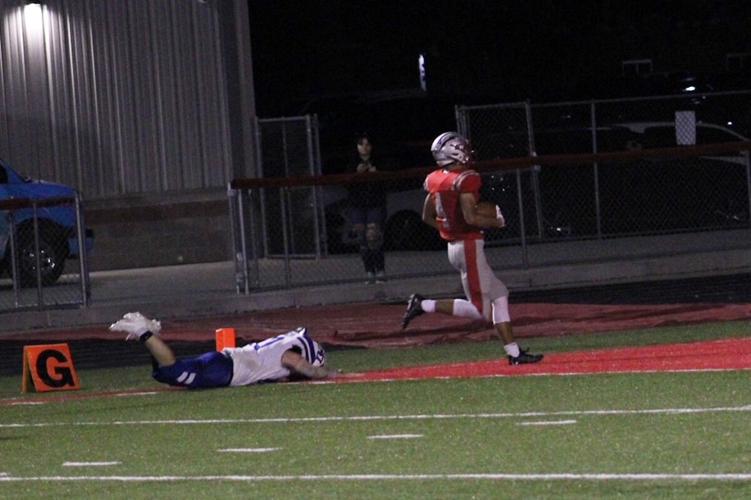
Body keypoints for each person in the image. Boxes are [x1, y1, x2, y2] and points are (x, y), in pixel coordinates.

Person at [401, 132, 543, 365]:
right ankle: (423, 304)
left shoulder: (436, 178)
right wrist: (496, 221)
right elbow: (471, 217)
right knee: (481, 311)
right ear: (453, 151)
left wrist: (448, 228)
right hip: (468, 246)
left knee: (500, 295)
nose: (467, 151)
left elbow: (427, 216)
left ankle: (515, 353)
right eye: (462, 147)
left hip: (455, 246)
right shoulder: (465, 179)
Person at [109, 312, 336, 389]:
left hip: (225, 363)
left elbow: (277, 372)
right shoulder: (291, 351)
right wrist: (325, 373)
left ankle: (149, 334)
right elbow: (296, 363)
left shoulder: (284, 344)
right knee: (171, 372)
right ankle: (145, 333)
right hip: (225, 370)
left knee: (161, 373)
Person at [347, 134, 386, 284]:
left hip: (374, 204)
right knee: (362, 239)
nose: (365, 147)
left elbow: (386, 183)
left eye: (367, 144)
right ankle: (369, 272)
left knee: (373, 236)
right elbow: (346, 183)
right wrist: (357, 174)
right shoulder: (352, 163)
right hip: (357, 205)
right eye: (361, 144)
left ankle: (380, 270)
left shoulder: (378, 161)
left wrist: (375, 174)